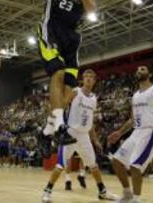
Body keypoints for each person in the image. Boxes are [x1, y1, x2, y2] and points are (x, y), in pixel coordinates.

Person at [42, 69, 117, 202]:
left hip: (84, 137)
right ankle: (47, 192)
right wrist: (54, 121)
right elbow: (61, 105)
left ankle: (102, 192)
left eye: (91, 77)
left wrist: (95, 140)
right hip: (70, 134)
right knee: (60, 165)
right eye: (86, 76)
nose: (88, 78)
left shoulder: (94, 99)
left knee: (93, 166)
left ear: (94, 81)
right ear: (83, 79)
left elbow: (91, 122)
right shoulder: (75, 91)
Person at [37, 0, 97, 156]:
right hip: (52, 28)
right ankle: (59, 126)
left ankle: (45, 133)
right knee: (58, 72)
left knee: (68, 91)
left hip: (72, 36)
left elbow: (91, 8)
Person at [108, 66, 153, 203]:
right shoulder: (135, 95)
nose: (139, 70)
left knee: (134, 165)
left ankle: (136, 199)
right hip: (136, 132)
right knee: (116, 161)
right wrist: (119, 132)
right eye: (137, 69)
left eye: (142, 69)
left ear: (149, 74)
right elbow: (132, 119)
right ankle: (127, 194)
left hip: (151, 131)